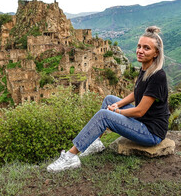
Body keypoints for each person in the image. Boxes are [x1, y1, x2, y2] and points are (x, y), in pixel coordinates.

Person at [47, 26, 170, 172]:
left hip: (151, 132)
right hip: (144, 121)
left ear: (156, 53)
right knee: (109, 99)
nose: (140, 51)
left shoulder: (158, 76)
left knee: (104, 115)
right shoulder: (145, 69)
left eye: (146, 48)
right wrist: (116, 104)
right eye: (139, 46)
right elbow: (136, 93)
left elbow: (140, 111)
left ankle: (70, 157)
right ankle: (96, 142)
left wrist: (116, 112)